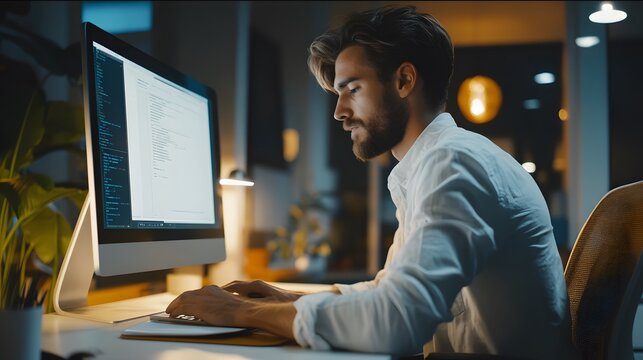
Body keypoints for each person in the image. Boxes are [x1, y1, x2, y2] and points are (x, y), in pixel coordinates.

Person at [166, 6, 572, 359]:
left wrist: (239, 313)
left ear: (403, 81)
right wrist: (290, 300)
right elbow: (390, 292)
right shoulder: (436, 163)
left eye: (352, 90)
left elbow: (398, 320)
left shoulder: (453, 163)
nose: (339, 112)